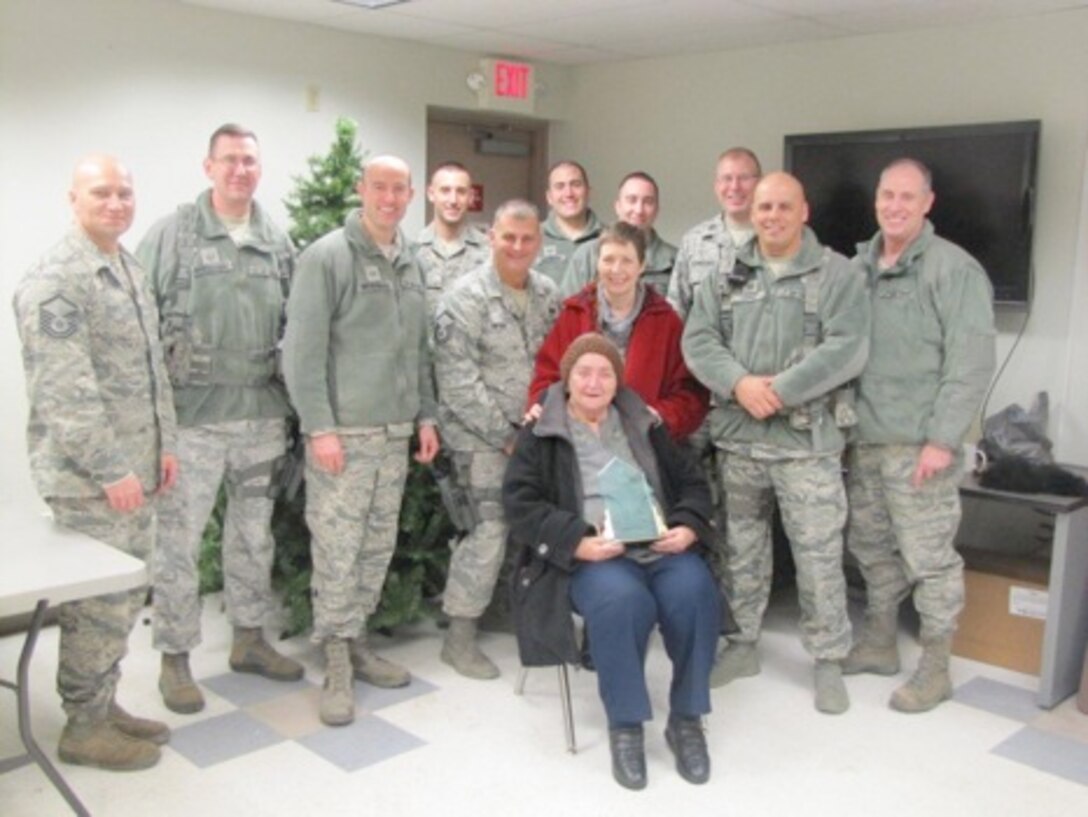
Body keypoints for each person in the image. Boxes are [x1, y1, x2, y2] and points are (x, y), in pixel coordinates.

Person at [682, 172, 870, 713]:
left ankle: (828, 659)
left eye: (783, 206)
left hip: (806, 444)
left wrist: (781, 391)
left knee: (817, 556)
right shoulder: (726, 273)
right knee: (741, 548)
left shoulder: (836, 274)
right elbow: (699, 339)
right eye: (764, 207)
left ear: (803, 210)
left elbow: (849, 347)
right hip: (741, 440)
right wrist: (740, 384)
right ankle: (742, 644)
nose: (772, 216)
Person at [13, 154, 177, 770]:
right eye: (101, 193)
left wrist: (165, 448)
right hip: (94, 482)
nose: (116, 203)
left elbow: (150, 370)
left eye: (124, 193)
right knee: (97, 609)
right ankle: (82, 726)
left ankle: (102, 704)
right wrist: (111, 468)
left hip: (137, 470)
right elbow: (64, 391)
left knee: (123, 602)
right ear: (73, 199)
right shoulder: (59, 279)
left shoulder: (125, 268)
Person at [503, 333, 724, 790]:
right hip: (594, 554)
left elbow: (692, 484)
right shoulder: (543, 431)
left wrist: (687, 525)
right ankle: (625, 724)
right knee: (622, 602)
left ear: (617, 381)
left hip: (657, 543)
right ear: (567, 380)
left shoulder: (643, 423)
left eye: (605, 372)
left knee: (695, 590)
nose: (594, 381)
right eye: (583, 371)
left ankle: (686, 718)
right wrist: (576, 542)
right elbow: (520, 504)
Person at [138, 123, 301, 715]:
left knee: (253, 536)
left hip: (260, 417)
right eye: (230, 160)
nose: (241, 170)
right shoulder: (172, 236)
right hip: (193, 422)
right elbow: (142, 328)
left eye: (250, 161)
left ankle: (249, 639)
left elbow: (296, 329)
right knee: (178, 543)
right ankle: (175, 658)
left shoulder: (275, 240)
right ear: (208, 167)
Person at [282, 155, 440, 726]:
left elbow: (417, 348)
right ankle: (335, 663)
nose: (391, 198)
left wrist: (425, 416)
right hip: (343, 438)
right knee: (337, 552)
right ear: (361, 189)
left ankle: (358, 641)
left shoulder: (410, 261)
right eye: (380, 187)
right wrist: (319, 428)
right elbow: (302, 352)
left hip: (394, 434)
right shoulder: (327, 257)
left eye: (401, 189)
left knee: (375, 548)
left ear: (411, 193)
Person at [844, 158, 996, 712]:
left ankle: (935, 669)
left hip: (921, 447)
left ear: (928, 203)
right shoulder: (858, 267)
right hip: (865, 440)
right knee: (871, 551)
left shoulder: (953, 271)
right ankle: (880, 642)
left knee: (930, 560)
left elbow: (970, 364)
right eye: (887, 195)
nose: (895, 206)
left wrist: (942, 439)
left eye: (908, 197)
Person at [432, 199, 560, 679]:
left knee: (522, 525)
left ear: (539, 243)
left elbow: (557, 364)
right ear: (491, 238)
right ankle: (459, 636)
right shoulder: (462, 298)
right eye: (508, 237)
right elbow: (458, 381)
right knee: (487, 531)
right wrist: (504, 436)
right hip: (480, 439)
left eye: (527, 239)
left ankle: (502, 608)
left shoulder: (548, 294)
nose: (518, 247)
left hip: (533, 436)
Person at [529, 221, 707, 442]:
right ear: (597, 263)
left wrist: (658, 416)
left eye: (626, 260)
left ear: (642, 265)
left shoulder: (665, 321)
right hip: (580, 442)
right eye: (608, 260)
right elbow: (547, 377)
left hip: (642, 444)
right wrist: (543, 406)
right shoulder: (574, 314)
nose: (616, 270)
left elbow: (690, 394)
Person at [668, 148, 761, 320]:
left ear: (759, 184)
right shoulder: (694, 241)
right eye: (727, 178)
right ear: (716, 186)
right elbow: (676, 312)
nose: (735, 186)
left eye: (744, 178)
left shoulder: (777, 240)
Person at [559, 171, 677, 297]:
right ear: (618, 206)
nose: (639, 210)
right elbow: (567, 310)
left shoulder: (674, 260)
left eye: (648, 202)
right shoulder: (587, 255)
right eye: (632, 200)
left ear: (657, 210)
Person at [416, 161, 489, 313]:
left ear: (470, 197)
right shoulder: (412, 252)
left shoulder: (489, 252)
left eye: (461, 191)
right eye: (445, 190)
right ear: (431, 194)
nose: (453, 200)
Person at [535, 160, 603, 285]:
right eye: (560, 186)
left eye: (576, 185)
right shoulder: (531, 238)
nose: (568, 193)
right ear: (549, 197)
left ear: (588, 192)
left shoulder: (610, 238)